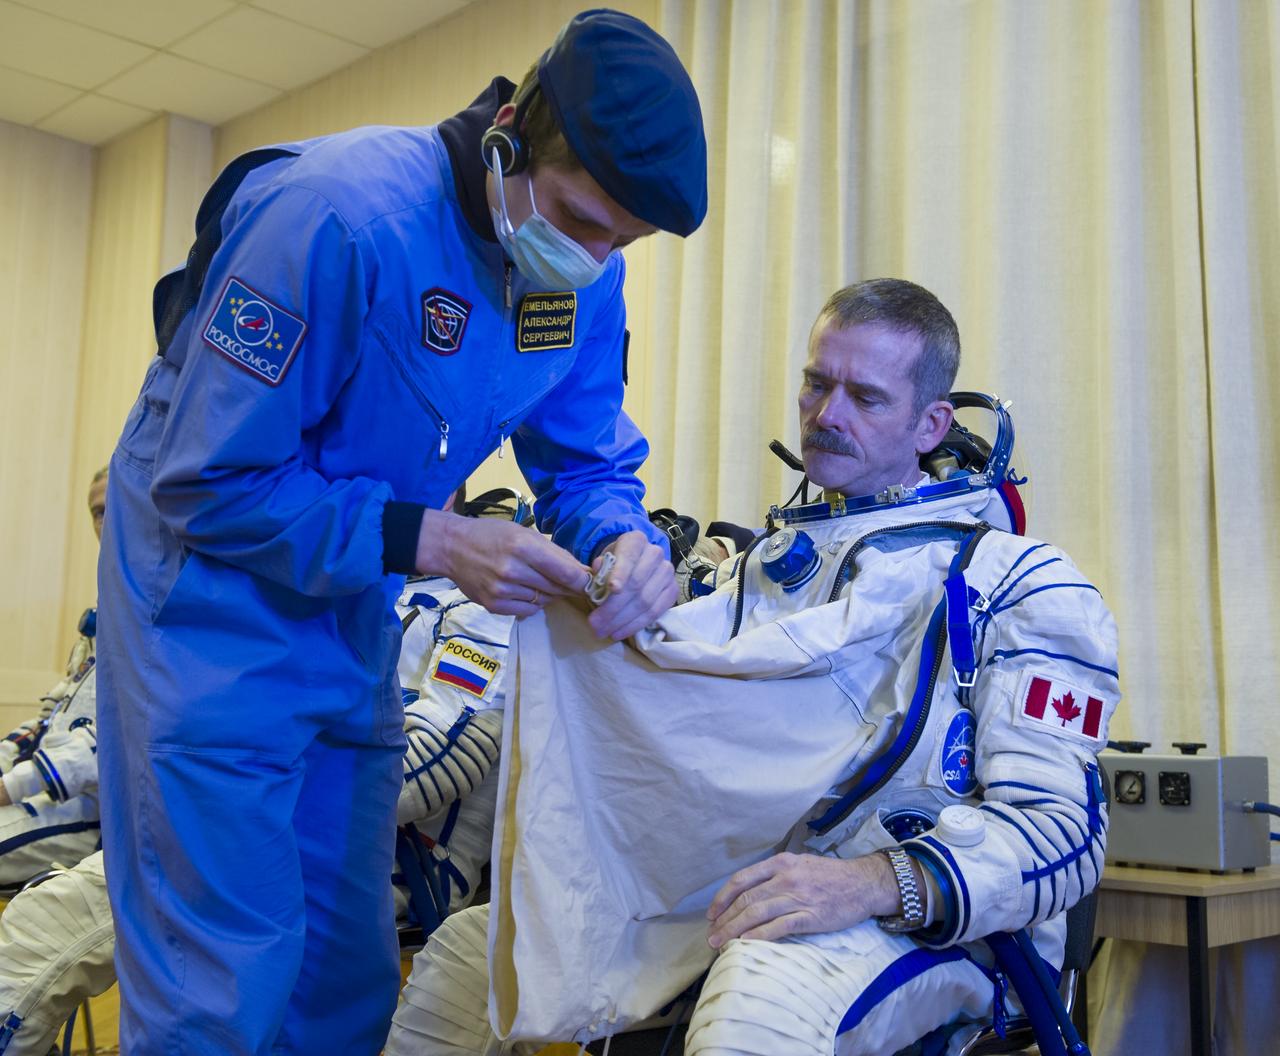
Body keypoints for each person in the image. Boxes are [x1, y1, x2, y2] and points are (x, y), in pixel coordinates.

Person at [94, 9, 707, 1052]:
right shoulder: (328, 218)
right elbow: (205, 481)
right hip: (208, 627)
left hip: (348, 625)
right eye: (578, 220)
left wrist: (617, 541)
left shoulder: (575, 272)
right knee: (222, 989)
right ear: (510, 132)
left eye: (621, 242)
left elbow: (586, 454)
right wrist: (431, 542)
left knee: (341, 979)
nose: (597, 258)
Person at [386, 279, 1120, 1055]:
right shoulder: (759, 574)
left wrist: (876, 882)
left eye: (865, 398)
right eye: (816, 383)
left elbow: (1062, 836)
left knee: (757, 1001)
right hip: (754, 896)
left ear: (931, 423)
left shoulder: (1018, 586)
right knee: (478, 952)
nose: (827, 415)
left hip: (929, 927)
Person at [0, 489, 525, 1056]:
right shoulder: (328, 593)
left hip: (382, 857)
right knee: (44, 923)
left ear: (444, 492)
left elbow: (435, 762)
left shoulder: (479, 610)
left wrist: (243, 791)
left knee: (64, 933)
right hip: (250, 821)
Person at [0, 470, 106, 888]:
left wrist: (10, 787)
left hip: (94, 815)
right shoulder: (109, 604)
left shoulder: (164, 604)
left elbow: (119, 740)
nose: (104, 522)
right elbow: (52, 719)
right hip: (47, 793)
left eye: (114, 507)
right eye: (97, 512)